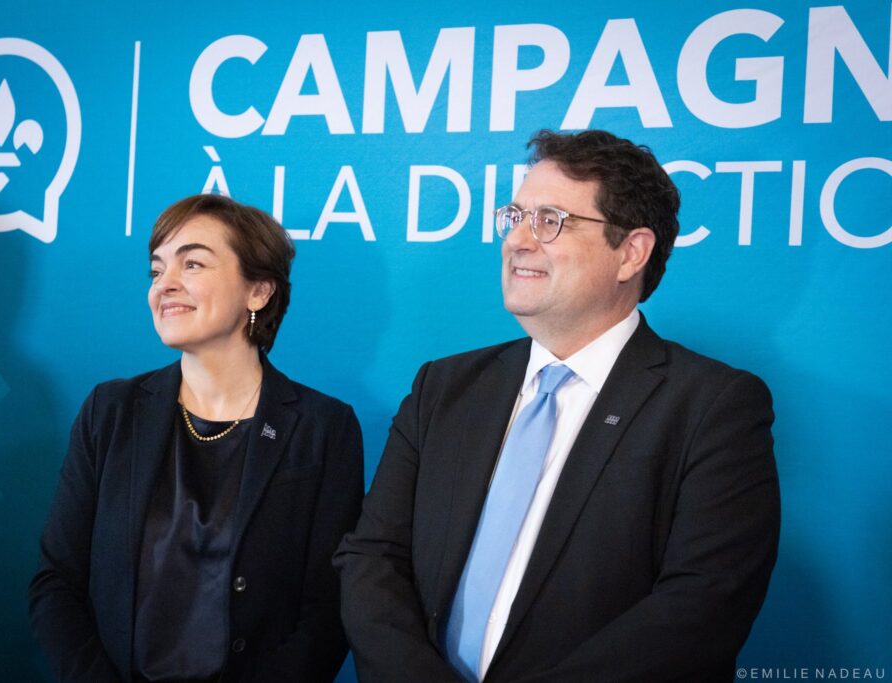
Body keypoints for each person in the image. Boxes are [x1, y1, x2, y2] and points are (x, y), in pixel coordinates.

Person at [334, 130, 780, 683]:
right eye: (515, 216)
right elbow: (372, 559)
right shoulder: (444, 387)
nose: (517, 241)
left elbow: (702, 607)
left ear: (631, 253)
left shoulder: (712, 406)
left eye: (550, 221)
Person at [29, 194, 364, 682]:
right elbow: (57, 581)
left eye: (193, 264)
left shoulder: (323, 427)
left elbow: (328, 608)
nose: (165, 284)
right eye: (156, 269)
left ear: (259, 291)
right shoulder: (111, 412)